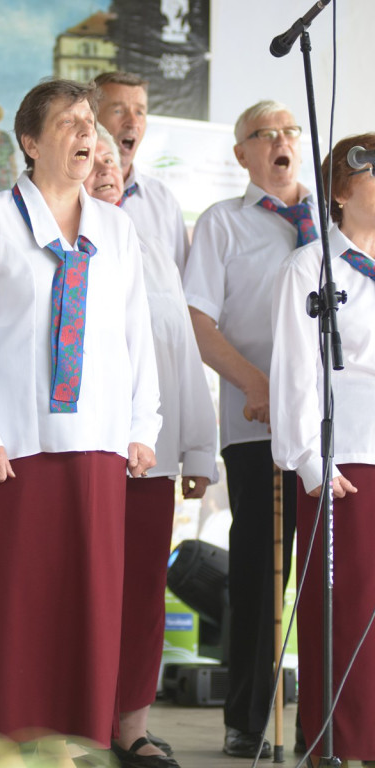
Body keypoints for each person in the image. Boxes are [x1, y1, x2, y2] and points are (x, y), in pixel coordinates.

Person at [0, 79, 161, 755]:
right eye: (68, 122)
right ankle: (10, 747)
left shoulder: (116, 231)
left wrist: (140, 428)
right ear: (30, 143)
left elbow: (136, 338)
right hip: (16, 450)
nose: (86, 131)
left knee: (90, 614)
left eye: (89, 120)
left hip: (97, 447)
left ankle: (82, 744)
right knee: (18, 611)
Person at [183, 100, 318, 759]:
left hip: (336, 431)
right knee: (262, 572)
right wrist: (255, 383)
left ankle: (330, 715)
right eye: (264, 134)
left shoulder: (334, 222)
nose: (281, 141)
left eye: (290, 131)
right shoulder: (222, 225)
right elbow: (198, 322)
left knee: (332, 574)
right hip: (257, 424)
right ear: (242, 153)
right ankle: (248, 721)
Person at [84, 125, 218, 768]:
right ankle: (74, 723)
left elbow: (179, 351)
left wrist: (198, 450)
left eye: (113, 157)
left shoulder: (151, 248)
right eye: (92, 158)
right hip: (77, 452)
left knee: (139, 592)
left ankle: (130, 724)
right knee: (80, 589)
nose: (107, 167)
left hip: (149, 456)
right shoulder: (48, 243)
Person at [270, 133, 375, 764]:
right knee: (346, 612)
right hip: (346, 464)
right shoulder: (310, 268)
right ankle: (341, 744)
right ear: (338, 192)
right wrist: (310, 460)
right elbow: (293, 373)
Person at [94, 71, 188, 277]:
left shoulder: (163, 201)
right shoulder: (68, 196)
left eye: (139, 112)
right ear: (91, 118)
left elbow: (181, 284)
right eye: (118, 111)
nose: (132, 122)